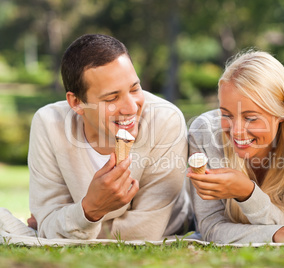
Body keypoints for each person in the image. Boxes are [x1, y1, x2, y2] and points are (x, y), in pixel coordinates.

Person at [28, 34, 191, 240]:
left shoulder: (165, 120)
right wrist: (90, 209)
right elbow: (47, 223)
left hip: (175, 228)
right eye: (112, 98)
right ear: (77, 102)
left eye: (135, 88)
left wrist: (69, 224)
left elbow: (146, 233)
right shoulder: (49, 124)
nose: (131, 107)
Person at [187, 50, 284, 246]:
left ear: (282, 111)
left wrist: (247, 193)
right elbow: (210, 228)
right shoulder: (205, 132)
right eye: (226, 115)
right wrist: (277, 233)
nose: (237, 132)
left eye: (251, 118)